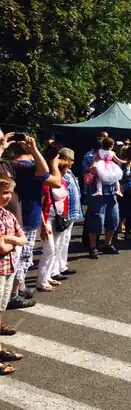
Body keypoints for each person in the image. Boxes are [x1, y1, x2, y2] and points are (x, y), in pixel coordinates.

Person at [0, 131, 60, 309]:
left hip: (12, 221)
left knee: (17, 260)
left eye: (2, 139)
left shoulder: (8, 165)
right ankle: (11, 296)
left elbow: (43, 172)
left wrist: (34, 149)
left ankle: (12, 294)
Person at [0, 175, 26, 374]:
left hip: (8, 269)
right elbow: (1, 248)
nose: (7, 197)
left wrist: (8, 238)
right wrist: (12, 240)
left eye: (9, 192)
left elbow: (23, 238)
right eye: (3, 193)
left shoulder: (8, 215)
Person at [37, 163, 70, 291]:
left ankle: (47, 276)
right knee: (49, 249)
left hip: (57, 217)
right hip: (47, 218)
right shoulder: (46, 184)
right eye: (66, 168)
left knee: (55, 248)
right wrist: (43, 224)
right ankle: (41, 281)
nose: (68, 170)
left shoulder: (63, 181)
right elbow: (40, 203)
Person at [59, 148, 81, 276]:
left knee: (65, 240)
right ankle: (56, 269)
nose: (72, 162)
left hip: (71, 212)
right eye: (71, 160)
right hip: (64, 212)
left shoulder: (69, 172)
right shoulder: (62, 174)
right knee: (60, 241)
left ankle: (62, 266)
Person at [118, 146, 131, 241]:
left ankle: (128, 233)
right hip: (122, 189)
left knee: (130, 213)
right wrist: (120, 188)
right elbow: (117, 177)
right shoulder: (121, 163)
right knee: (120, 212)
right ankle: (116, 232)